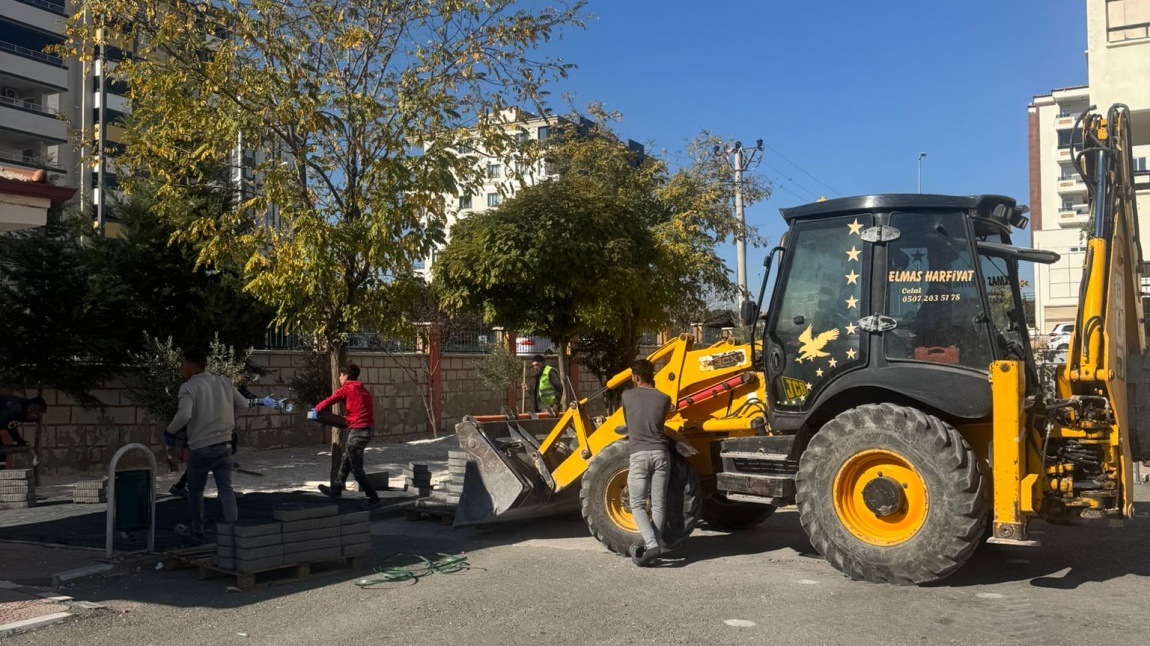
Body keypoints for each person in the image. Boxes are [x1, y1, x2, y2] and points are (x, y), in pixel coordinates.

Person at [166, 349, 250, 545]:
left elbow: (184, 415)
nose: (181, 368)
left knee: (195, 490)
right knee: (226, 488)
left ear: (192, 366)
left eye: (182, 364)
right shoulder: (223, 382)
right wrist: (229, 421)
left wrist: (170, 431)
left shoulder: (189, 387)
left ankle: (197, 530)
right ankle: (233, 529)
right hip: (225, 444)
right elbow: (244, 404)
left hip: (201, 446)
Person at [620, 358, 673, 567]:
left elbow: (628, 421)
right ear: (653, 376)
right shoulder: (664, 398)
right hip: (661, 453)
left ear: (635, 377)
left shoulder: (626, 395)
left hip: (639, 454)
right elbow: (659, 422)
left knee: (637, 503)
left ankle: (652, 545)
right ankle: (655, 545)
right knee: (659, 504)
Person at [309, 364, 380, 510]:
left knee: (356, 468)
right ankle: (336, 490)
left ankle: (374, 498)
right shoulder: (362, 389)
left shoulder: (347, 389)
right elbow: (360, 410)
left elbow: (330, 400)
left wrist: (316, 410)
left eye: (340, 375)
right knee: (346, 459)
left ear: (346, 376)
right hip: (366, 429)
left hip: (358, 432)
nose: (339, 378)